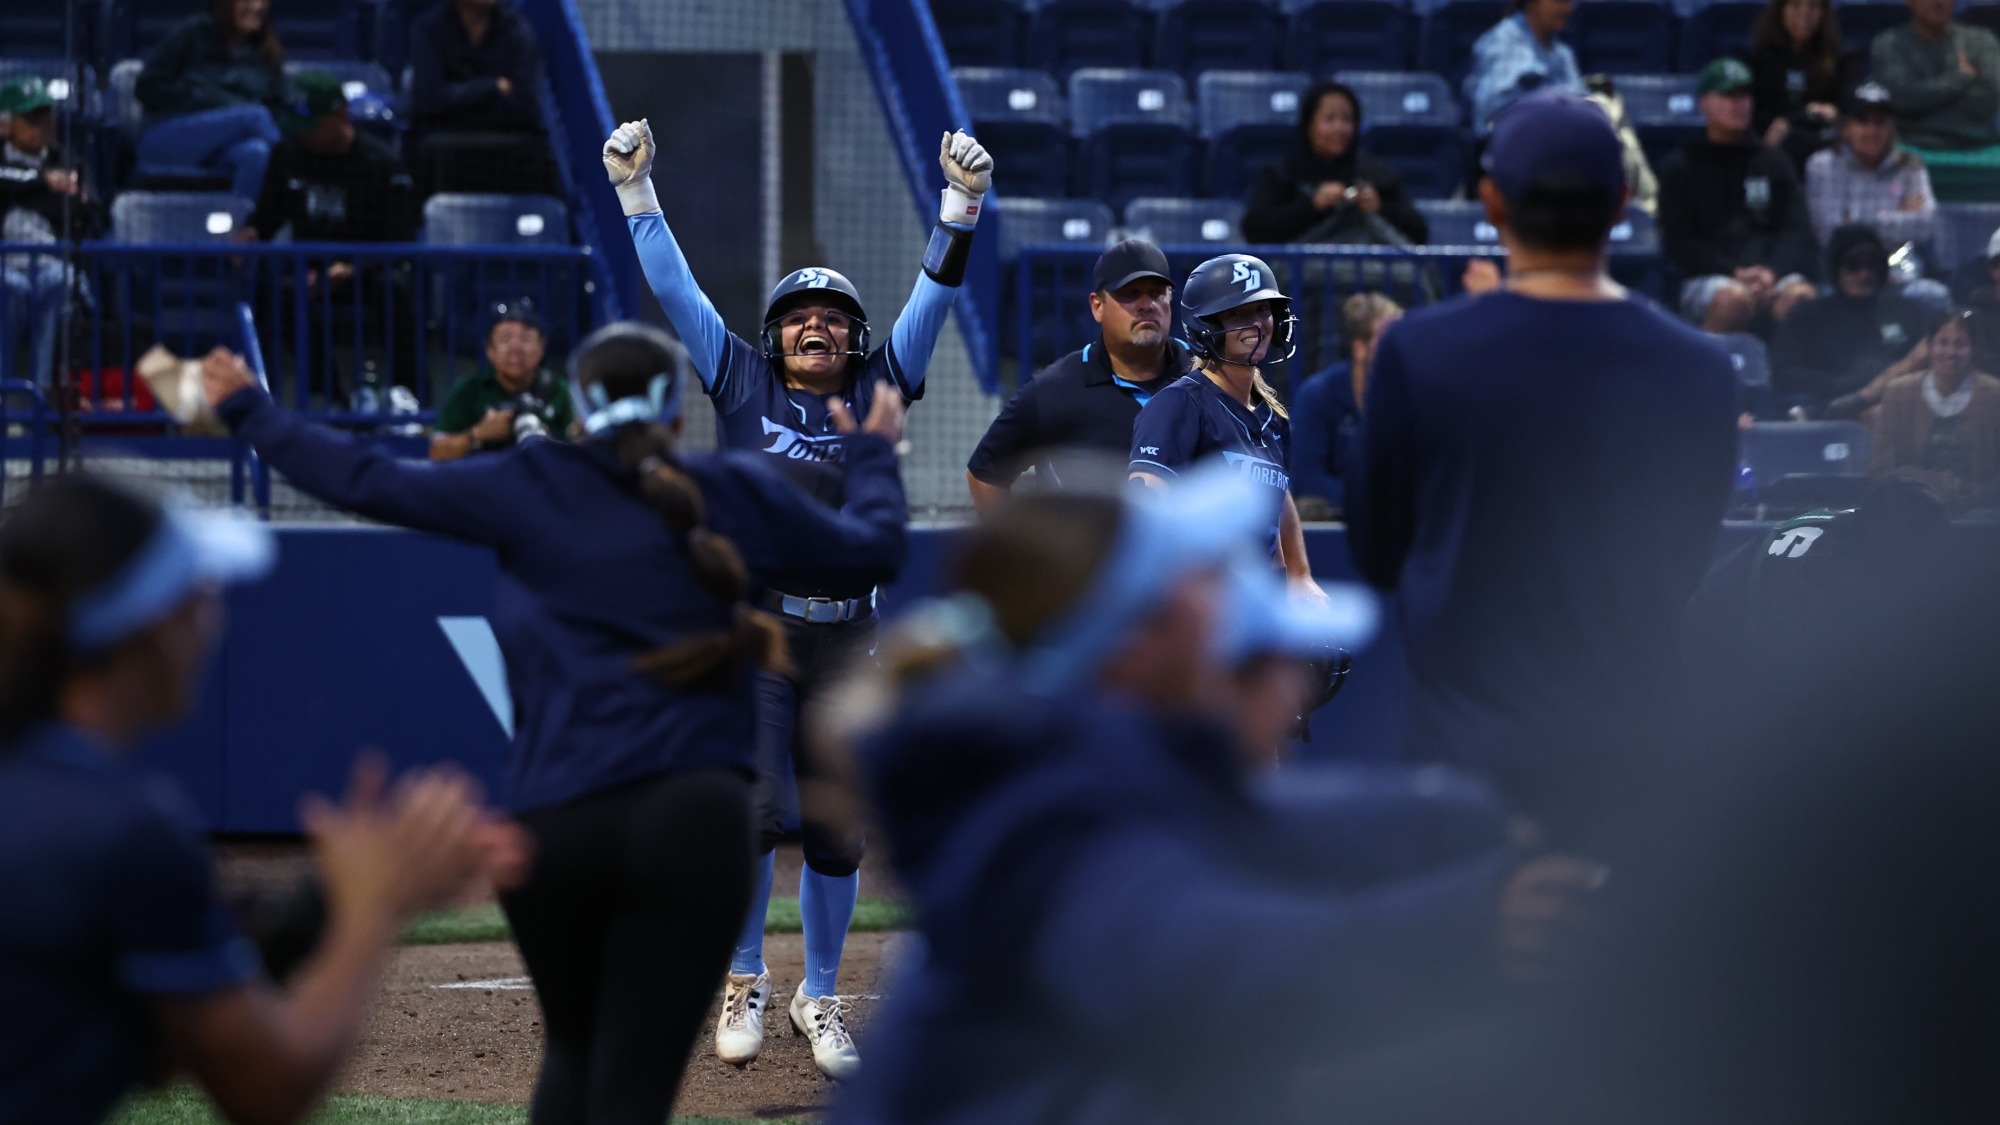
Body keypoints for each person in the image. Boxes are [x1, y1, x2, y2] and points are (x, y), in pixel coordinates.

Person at [200, 321, 912, 1120]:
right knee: (637, 1080)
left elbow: (366, 477)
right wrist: (876, 453)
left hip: (559, 819)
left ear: (579, 407)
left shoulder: (533, 480)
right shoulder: (733, 490)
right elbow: (877, 549)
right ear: (678, 415)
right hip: (695, 819)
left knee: (574, 1053)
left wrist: (250, 411)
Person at [827, 468, 1606, 1125]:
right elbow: (1204, 970)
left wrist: (1502, 821)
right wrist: (1481, 922)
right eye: (1191, 582)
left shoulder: (1083, 766)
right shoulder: (1042, 818)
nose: (1220, 593)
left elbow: (1282, 822)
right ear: (1131, 649)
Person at [606, 117, 988, 1077]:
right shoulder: (738, 378)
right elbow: (675, 291)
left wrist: (961, 207)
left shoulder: (882, 382)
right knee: (751, 810)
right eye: (796, 315)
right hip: (758, 633)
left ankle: (820, 993)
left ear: (855, 336)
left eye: (831, 315)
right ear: (773, 335)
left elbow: (934, 296)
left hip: (849, 637)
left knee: (835, 824)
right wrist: (637, 191)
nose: (814, 324)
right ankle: (743, 977)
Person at [0, 475, 503, 1125]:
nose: (215, 619)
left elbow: (116, 1015)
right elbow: (268, 1087)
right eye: (202, 596)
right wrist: (371, 908)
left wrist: (311, 907)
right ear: (158, 625)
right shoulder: (122, 827)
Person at [1346, 90, 1739, 840]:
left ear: (1491, 202)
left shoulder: (1417, 352)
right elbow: (1685, 559)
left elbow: (1377, 551)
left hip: (1461, 769)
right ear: (1623, 203)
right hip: (1630, 769)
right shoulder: (1702, 369)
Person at [1129, 253, 1325, 597]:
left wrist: (1297, 581)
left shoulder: (1274, 419)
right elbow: (1143, 516)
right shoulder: (1180, 403)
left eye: (1263, 310)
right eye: (1237, 313)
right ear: (1206, 327)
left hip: (1249, 608)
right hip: (1197, 605)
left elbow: (1273, 516)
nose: (1256, 324)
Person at [965, 240, 1189, 512]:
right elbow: (985, 473)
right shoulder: (1055, 388)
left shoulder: (1204, 374)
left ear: (1170, 300)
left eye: (1156, 293)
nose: (1147, 305)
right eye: (1129, 294)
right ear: (1097, 306)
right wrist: (1021, 552)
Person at [238, 69, 420, 395]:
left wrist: (352, 269)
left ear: (340, 115)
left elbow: (400, 238)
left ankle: (410, 394)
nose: (305, 136)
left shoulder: (382, 164)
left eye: (313, 127)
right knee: (278, 292)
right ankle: (326, 397)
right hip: (310, 267)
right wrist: (249, 234)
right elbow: (267, 215)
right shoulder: (288, 154)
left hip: (370, 267)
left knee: (397, 291)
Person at [1659, 57, 1821, 336]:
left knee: (1801, 299)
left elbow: (1798, 232)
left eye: (1744, 95)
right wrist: (1734, 272)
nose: (1739, 104)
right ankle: (1706, 377)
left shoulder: (1773, 161)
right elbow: (1679, 242)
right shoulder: (1681, 165)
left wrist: (1772, 272)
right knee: (1733, 300)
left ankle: (1798, 379)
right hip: (1709, 276)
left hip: (1771, 274)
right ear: (1704, 103)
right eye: (1728, 95)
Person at [0, 76, 102, 387]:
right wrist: (43, 183)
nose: (42, 125)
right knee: (10, 287)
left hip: (49, 263)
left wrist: (21, 188)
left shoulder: (68, 161)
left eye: (46, 116)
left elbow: (88, 212)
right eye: (31, 118)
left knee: (61, 281)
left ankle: (39, 397)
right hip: (5, 266)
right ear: (6, 125)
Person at [1240, 81, 1429, 246]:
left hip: (1376, 278)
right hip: (1299, 279)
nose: (1339, 128)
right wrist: (1312, 206)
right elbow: (1255, 230)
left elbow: (1419, 233)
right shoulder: (1282, 174)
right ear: (1309, 126)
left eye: (1347, 119)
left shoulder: (1379, 175)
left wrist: (1380, 208)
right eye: (1329, 119)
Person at [134, 0, 288, 199]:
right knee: (255, 116)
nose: (258, 6)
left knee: (256, 154)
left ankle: (240, 226)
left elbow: (280, 106)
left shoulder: (266, 51)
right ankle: (300, 174)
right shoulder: (194, 33)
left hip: (222, 147)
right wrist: (197, 97)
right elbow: (146, 87)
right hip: (167, 138)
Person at [1772, 224, 1936, 409]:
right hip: (1829, 406)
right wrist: (1839, 385)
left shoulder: (1910, 311)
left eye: (1872, 265)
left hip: (1896, 404)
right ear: (1836, 269)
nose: (1864, 274)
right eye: (1854, 266)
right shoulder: (1809, 315)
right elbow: (1784, 372)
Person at [408, 0, 553, 196]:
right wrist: (493, 87)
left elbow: (525, 104)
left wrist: (459, 97)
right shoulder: (429, 28)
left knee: (539, 156)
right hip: (443, 137)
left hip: (503, 137)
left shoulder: (517, 29)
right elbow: (429, 100)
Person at [1870, 309, 2000, 510]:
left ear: (1973, 349)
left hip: (1979, 508)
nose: (1951, 353)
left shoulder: (1994, 394)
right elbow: (1881, 466)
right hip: (1910, 507)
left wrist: (1979, 493)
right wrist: (1937, 484)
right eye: (1943, 343)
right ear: (1930, 347)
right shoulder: (1899, 392)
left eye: (1961, 344)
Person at [1290, 292, 1402, 519]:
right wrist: (1368, 503)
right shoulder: (1317, 394)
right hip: (1338, 515)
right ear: (1360, 348)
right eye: (1388, 342)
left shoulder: (1415, 395)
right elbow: (1307, 477)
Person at [431, 302, 574, 460]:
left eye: (525, 339)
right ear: (489, 349)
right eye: (505, 339)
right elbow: (437, 454)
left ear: (541, 346)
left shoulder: (562, 391)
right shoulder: (468, 390)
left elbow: (583, 455)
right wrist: (478, 434)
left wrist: (546, 440)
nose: (515, 348)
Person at [1803, 82, 1937, 251]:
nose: (1872, 130)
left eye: (1879, 122)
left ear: (1890, 128)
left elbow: (1927, 227)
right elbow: (1829, 235)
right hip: (1844, 272)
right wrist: (1899, 215)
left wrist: (1855, 222)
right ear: (1846, 127)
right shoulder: (1822, 166)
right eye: (1862, 121)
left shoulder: (1910, 166)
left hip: (1902, 269)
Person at [1871, 0, 2000, 154]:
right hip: (1909, 146)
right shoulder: (1889, 43)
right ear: (1910, 2)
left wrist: (1923, 107)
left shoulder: (1982, 42)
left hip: (1977, 144)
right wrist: (1961, 78)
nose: (1939, 2)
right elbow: (1900, 99)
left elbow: (1989, 99)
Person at [1749, 0, 1859, 171]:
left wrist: (1835, 116)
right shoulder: (1759, 59)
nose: (1804, 14)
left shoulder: (1841, 59)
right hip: (1774, 147)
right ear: (1781, 10)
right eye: (1795, 5)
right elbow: (1752, 114)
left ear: (1823, 13)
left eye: (1813, 6)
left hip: (1826, 146)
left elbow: (1851, 109)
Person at [1466, 0, 1584, 136]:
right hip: (1510, 148)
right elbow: (1492, 117)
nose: (1568, 9)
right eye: (1560, 1)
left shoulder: (1562, 53)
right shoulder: (1503, 43)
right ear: (1532, 3)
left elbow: (1581, 103)